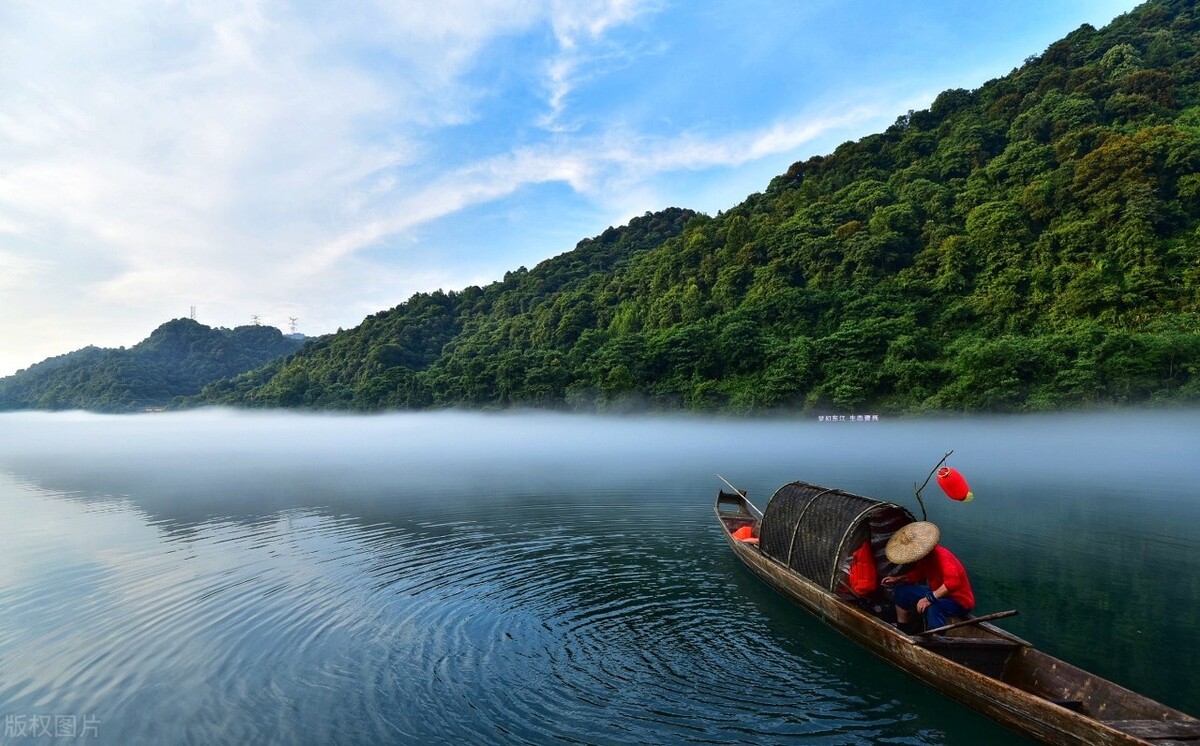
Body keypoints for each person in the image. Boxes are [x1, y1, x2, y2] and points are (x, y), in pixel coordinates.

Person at [880, 521, 974, 634]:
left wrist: (929, 599)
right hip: (938, 593)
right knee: (901, 590)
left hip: (958, 601)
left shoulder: (943, 556)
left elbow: (953, 582)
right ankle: (903, 628)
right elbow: (919, 574)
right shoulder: (924, 558)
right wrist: (898, 579)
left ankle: (936, 640)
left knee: (934, 607)